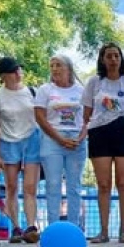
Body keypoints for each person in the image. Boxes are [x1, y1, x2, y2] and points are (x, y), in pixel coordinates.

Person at [82, 43, 124, 243]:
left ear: (121, 58)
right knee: (103, 184)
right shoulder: (94, 83)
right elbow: (86, 113)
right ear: (102, 59)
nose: (113, 59)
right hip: (99, 134)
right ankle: (103, 231)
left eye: (116, 55)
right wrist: (93, 130)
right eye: (109, 56)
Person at [0, 56, 41, 244]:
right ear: (3, 76)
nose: (18, 74)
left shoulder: (31, 92)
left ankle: (30, 226)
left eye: (19, 69)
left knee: (30, 187)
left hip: (31, 140)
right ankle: (16, 227)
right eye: (13, 71)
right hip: (8, 141)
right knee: (11, 187)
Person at [34, 54, 87, 228]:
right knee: (53, 185)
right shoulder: (45, 90)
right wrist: (60, 139)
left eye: (59, 65)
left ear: (68, 69)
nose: (55, 69)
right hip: (52, 139)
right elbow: (40, 117)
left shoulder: (81, 90)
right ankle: (53, 228)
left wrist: (80, 137)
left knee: (74, 186)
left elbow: (89, 117)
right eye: (52, 65)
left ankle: (74, 228)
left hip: (76, 140)